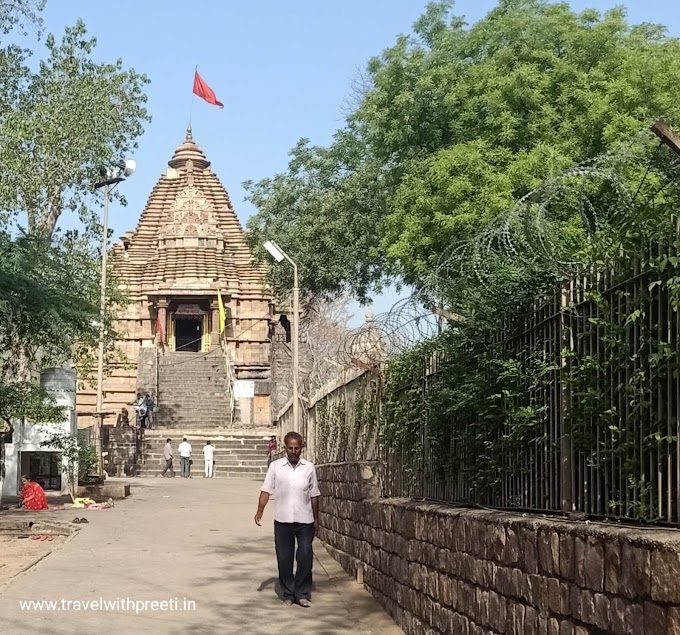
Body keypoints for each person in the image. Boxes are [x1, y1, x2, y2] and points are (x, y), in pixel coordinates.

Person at [255, 432, 320, 607]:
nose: (293, 451)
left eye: (296, 448)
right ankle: (289, 593)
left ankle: (303, 593)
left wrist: (317, 519)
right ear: (285, 448)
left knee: (305, 556)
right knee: (284, 557)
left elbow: (314, 495)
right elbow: (266, 490)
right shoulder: (276, 467)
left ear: (301, 448)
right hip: (283, 521)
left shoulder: (309, 467)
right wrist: (260, 510)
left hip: (305, 520)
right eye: (290, 448)